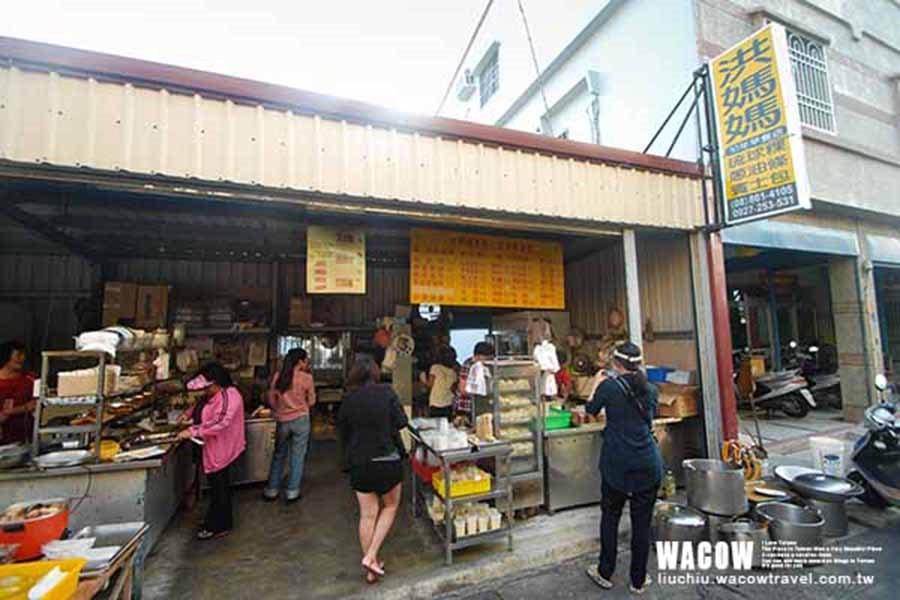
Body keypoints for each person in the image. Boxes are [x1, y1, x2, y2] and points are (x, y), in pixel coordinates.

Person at [583, 342, 661, 594]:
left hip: (617, 464)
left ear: (616, 364)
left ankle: (605, 572)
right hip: (647, 463)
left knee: (611, 516)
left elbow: (590, 410)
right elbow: (651, 416)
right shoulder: (650, 389)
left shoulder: (608, 386)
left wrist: (596, 382)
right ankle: (638, 580)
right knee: (641, 523)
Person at [337, 356, 408, 584]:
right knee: (390, 505)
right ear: (376, 374)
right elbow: (401, 422)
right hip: (387, 460)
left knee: (367, 514)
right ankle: (370, 556)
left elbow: (343, 433)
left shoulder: (348, 400)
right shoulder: (387, 392)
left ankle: (372, 568)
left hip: (359, 463)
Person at [178, 362, 246, 540]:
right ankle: (215, 519)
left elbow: (220, 423)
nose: (205, 391)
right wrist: (188, 414)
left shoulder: (229, 396)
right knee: (217, 487)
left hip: (221, 448)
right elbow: (202, 404)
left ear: (217, 383)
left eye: (207, 387)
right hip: (211, 446)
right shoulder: (214, 394)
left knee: (220, 488)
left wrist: (192, 431)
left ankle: (219, 525)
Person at [263, 348, 315, 502]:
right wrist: (301, 404)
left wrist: (279, 409)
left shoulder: (279, 376)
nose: (307, 364)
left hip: (282, 420)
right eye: (306, 360)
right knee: (297, 456)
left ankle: (272, 490)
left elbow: (271, 399)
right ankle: (292, 492)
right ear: (300, 362)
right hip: (301, 420)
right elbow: (312, 401)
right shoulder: (307, 378)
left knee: (279, 455)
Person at [0, 341, 36, 445]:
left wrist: (10, 411)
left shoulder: (30, 379)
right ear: (6, 357)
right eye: (18, 355)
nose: (22, 358)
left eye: (23, 355)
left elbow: (35, 404)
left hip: (26, 438)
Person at [455, 341, 495, 419]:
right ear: (477, 356)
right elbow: (463, 389)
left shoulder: (487, 366)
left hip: (481, 408)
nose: (488, 361)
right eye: (487, 358)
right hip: (467, 408)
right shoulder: (469, 365)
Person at [425, 345, 457, 420]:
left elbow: (430, 384)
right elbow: (453, 388)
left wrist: (422, 378)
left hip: (435, 402)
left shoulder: (435, 368)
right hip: (448, 403)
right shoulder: (453, 372)